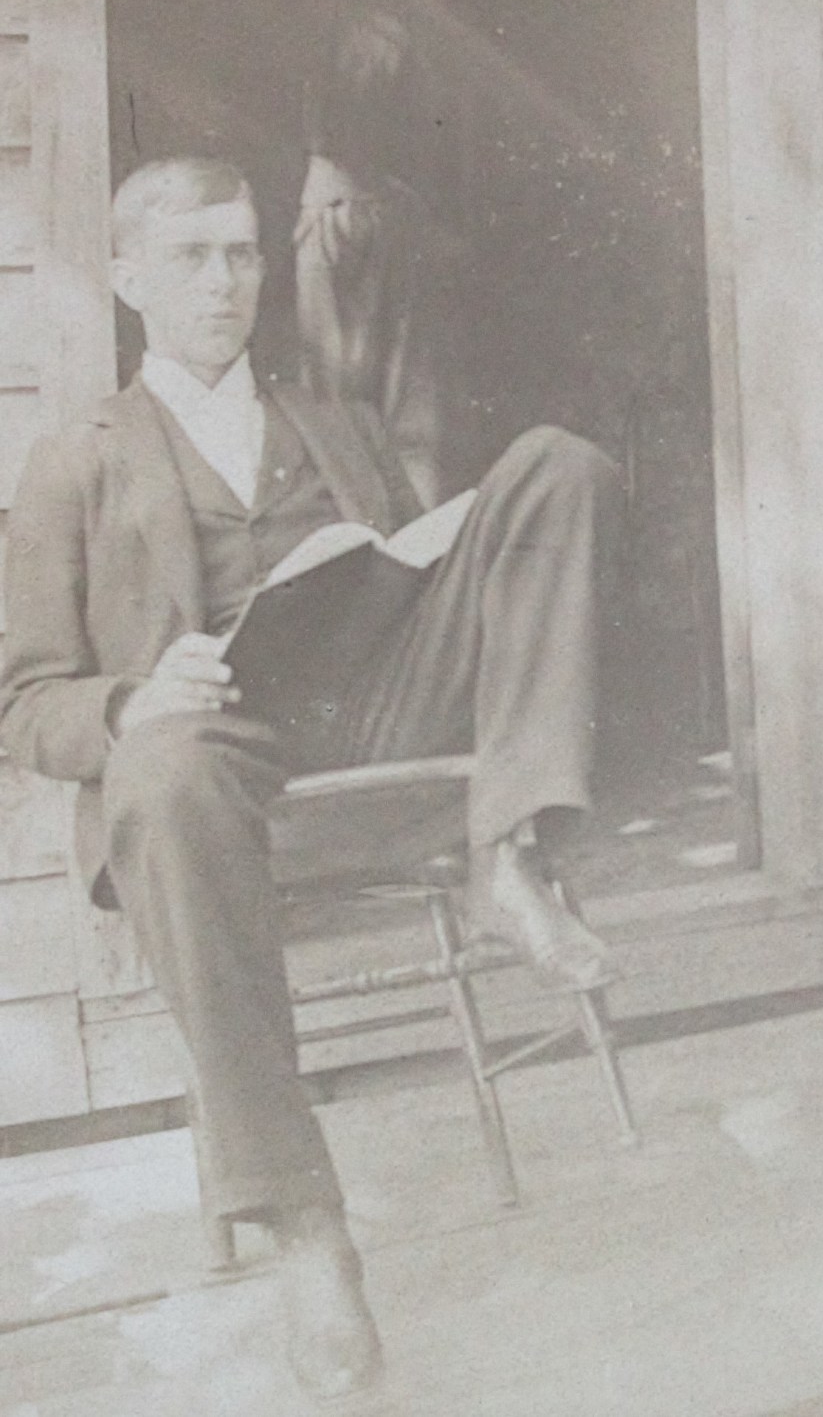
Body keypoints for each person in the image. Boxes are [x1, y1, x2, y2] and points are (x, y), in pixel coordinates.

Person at [0, 158, 625, 1399]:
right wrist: (133, 700)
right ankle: (308, 1232)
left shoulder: (330, 416)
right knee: (164, 768)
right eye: (191, 257)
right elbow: (21, 696)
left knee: (559, 463)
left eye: (241, 254)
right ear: (127, 278)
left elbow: (395, 567)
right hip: (210, 764)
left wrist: (421, 557)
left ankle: (507, 846)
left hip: (376, 722)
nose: (224, 282)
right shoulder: (76, 458)